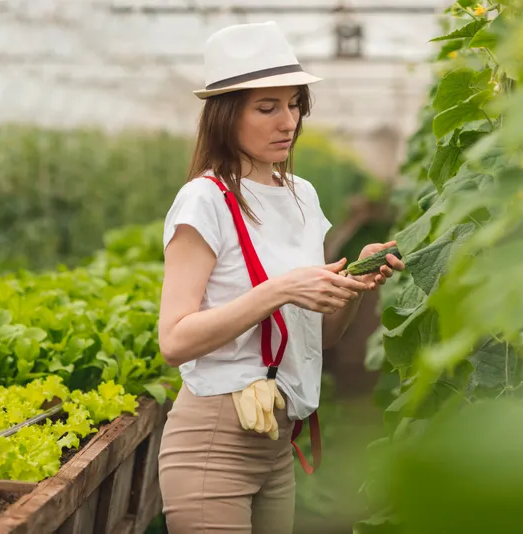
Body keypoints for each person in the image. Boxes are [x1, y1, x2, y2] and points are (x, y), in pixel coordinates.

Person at [156, 20, 405, 534]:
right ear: (226, 115)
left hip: (277, 439)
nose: (287, 121)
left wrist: (353, 286)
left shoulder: (301, 195)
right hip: (215, 440)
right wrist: (282, 289)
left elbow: (322, 337)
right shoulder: (205, 199)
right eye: (267, 108)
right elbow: (174, 341)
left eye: (294, 104)